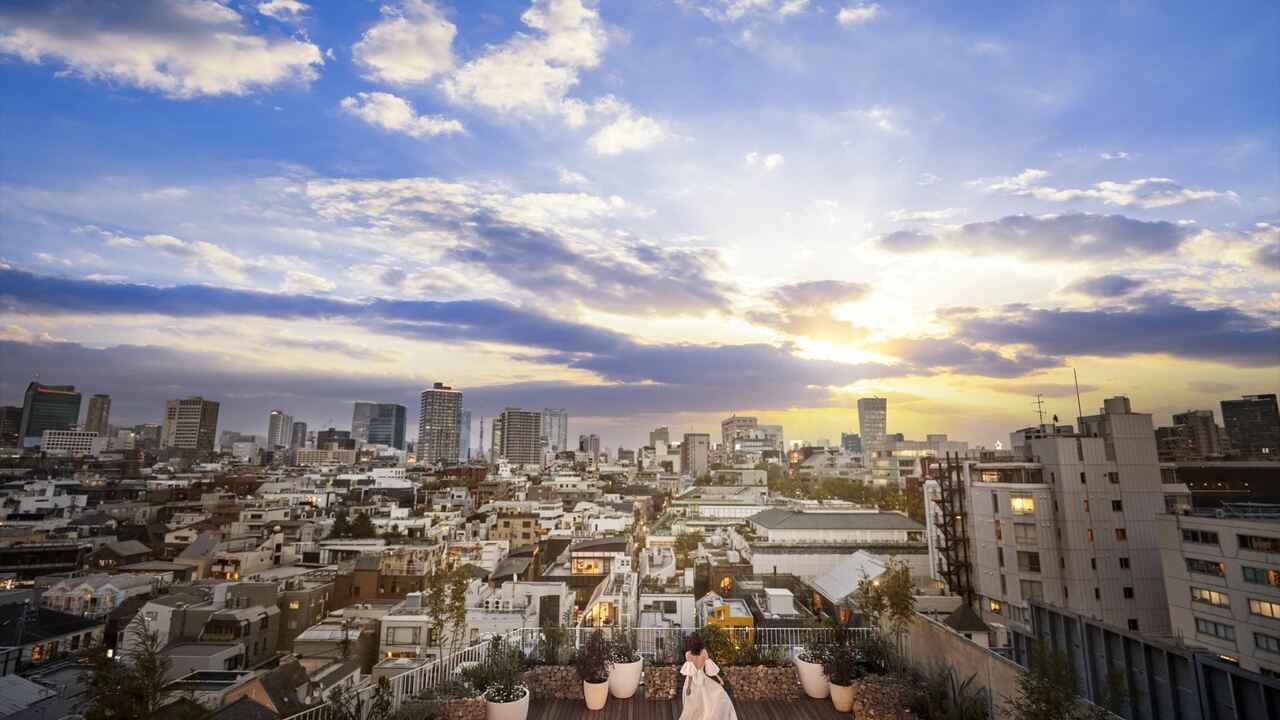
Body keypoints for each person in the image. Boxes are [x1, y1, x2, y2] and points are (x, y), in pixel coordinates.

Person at [678, 631, 738, 720]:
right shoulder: (704, 652)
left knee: (692, 705)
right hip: (703, 680)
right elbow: (710, 668)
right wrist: (719, 678)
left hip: (693, 682)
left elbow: (690, 674)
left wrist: (688, 687)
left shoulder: (688, 655)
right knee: (708, 702)